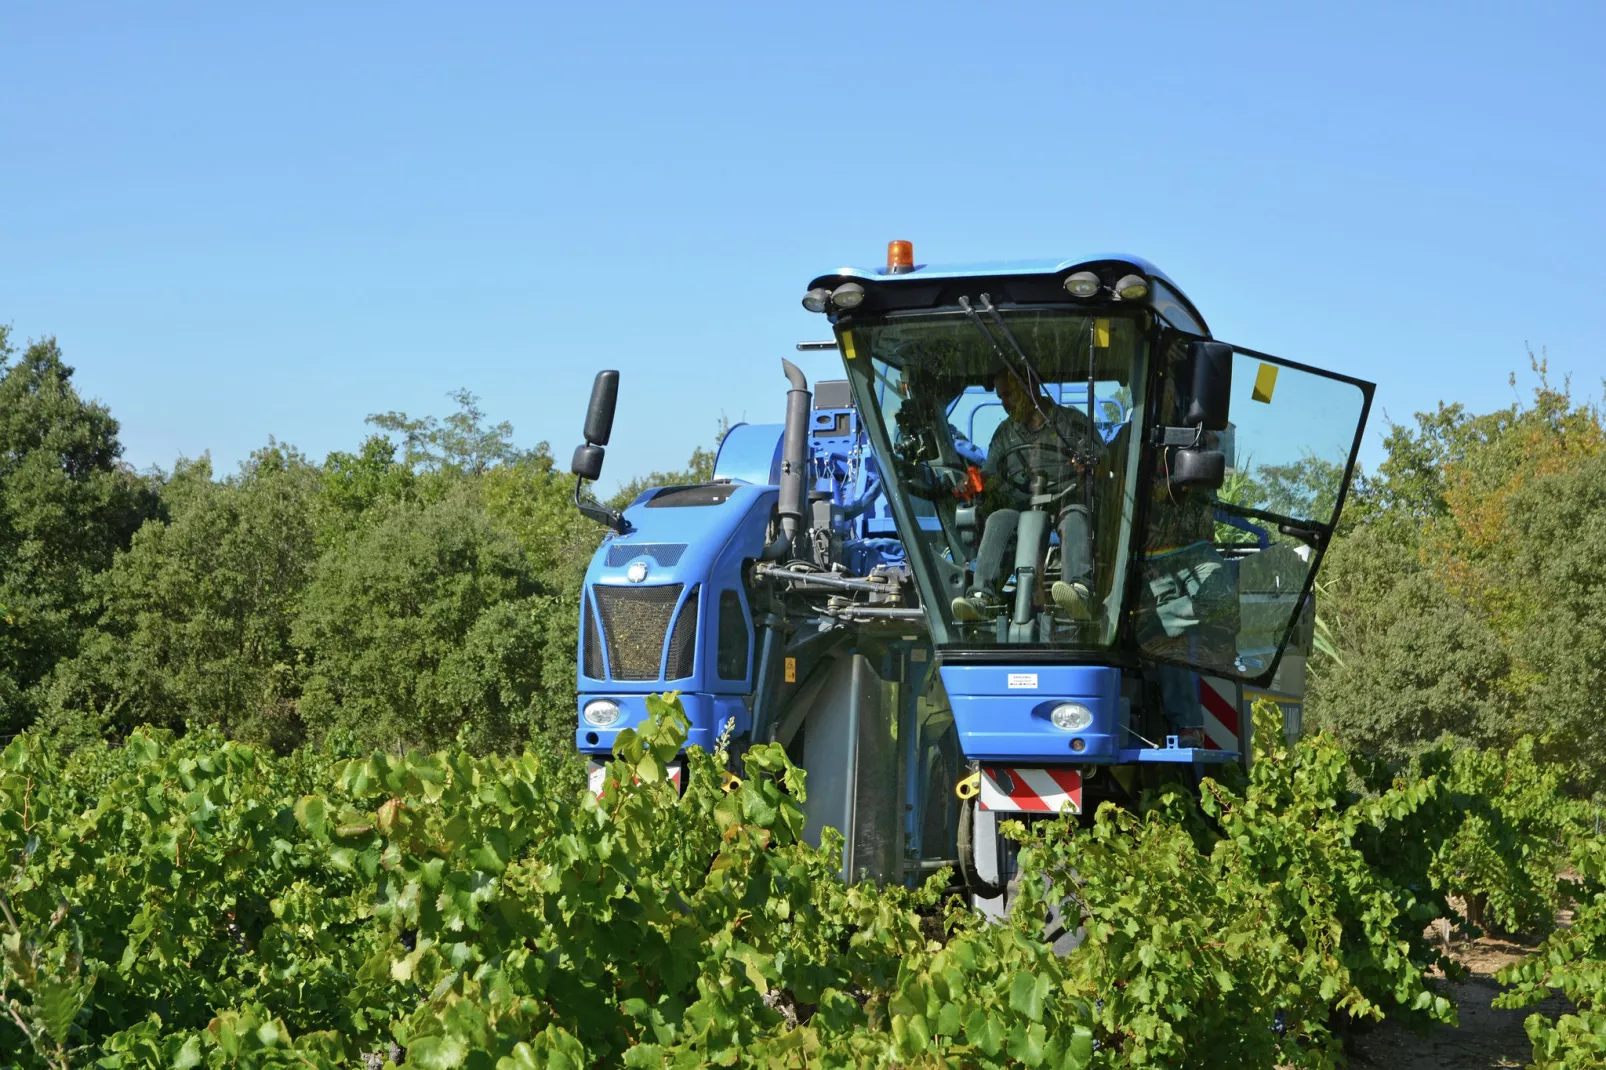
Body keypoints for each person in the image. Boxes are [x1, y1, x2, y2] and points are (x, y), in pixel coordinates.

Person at [951, 368, 1104, 622]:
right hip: (1022, 504)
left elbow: (1102, 459)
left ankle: (1079, 591)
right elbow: (989, 472)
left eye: (1009, 395)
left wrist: (1088, 464)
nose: (1004, 403)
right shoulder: (1005, 433)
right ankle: (982, 597)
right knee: (999, 518)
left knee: (1075, 515)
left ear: (1030, 388)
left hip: (1065, 497)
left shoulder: (1072, 422)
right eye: (1000, 397)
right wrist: (973, 482)